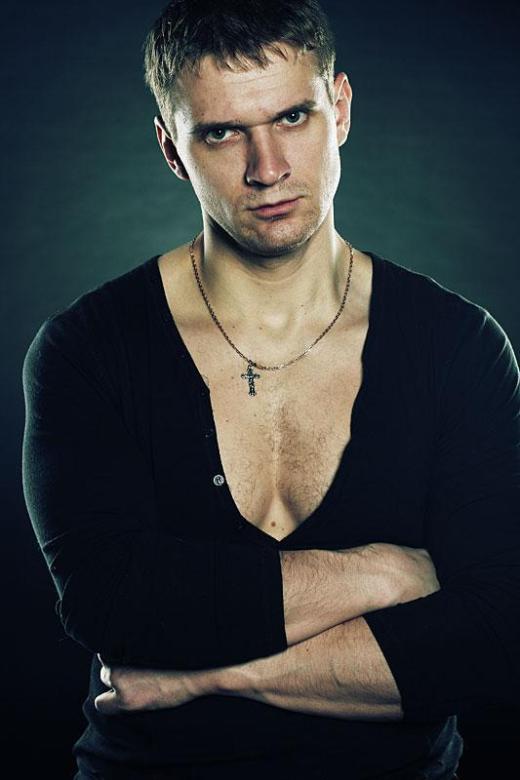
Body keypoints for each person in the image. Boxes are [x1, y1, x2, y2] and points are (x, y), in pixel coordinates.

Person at [21, 1, 520, 778]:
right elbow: (111, 602)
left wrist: (206, 676)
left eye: (292, 117)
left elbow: (492, 640)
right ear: (172, 149)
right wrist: (381, 573)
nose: (267, 167)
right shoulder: (86, 349)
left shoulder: (458, 346)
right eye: (222, 133)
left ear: (339, 108)